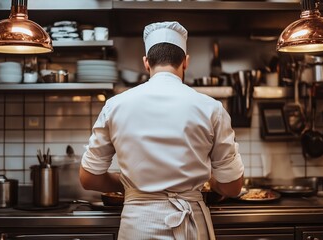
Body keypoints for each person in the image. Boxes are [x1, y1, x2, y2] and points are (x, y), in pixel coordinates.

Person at [79, 21, 244, 240]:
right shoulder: (211, 109)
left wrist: (132, 183)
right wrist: (213, 181)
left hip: (137, 226)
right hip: (191, 225)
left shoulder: (114, 106)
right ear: (186, 62)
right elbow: (233, 187)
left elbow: (89, 178)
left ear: (146, 63)